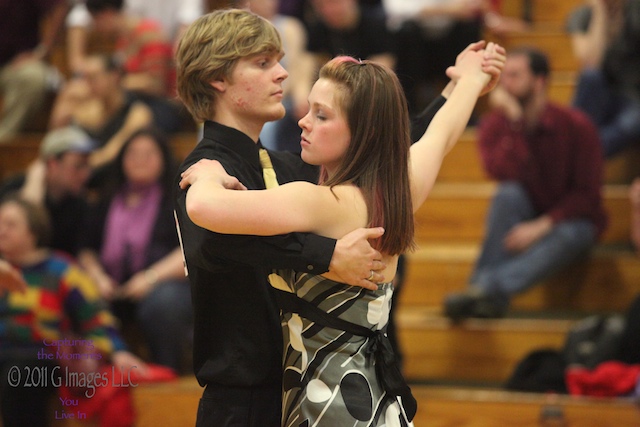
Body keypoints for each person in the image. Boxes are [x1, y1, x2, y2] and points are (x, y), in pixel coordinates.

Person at [179, 46, 501, 427]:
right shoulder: (401, 189)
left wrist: (207, 176)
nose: (303, 122)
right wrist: (470, 79)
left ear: (361, 131)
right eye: (309, 109)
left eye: (322, 115)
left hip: (328, 407)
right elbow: (443, 131)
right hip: (375, 400)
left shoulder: (319, 202)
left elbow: (201, 208)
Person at [443, 47, 608, 321]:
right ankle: (487, 298)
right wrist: (516, 125)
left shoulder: (577, 125)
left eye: (515, 76)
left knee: (574, 233)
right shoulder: (498, 123)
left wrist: (542, 226)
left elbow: (587, 197)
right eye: (504, 76)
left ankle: (484, 289)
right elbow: (498, 170)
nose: (505, 84)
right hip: (526, 209)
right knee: (507, 195)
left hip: (569, 220)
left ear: (540, 81)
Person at [0, 196, 146, 427]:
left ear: (33, 231)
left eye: (10, 224)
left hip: (39, 356)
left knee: (21, 373)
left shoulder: (60, 269)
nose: (2, 231)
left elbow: (95, 315)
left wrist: (117, 350)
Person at [78, 127, 192, 374]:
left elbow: (189, 251)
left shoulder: (178, 198)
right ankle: (96, 383)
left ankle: (167, 374)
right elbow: (86, 249)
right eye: (133, 153)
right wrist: (98, 278)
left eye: (148, 153)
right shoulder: (107, 197)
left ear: (163, 159)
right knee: (83, 294)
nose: (140, 159)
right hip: (112, 286)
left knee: (164, 303)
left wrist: (149, 278)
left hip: (164, 284)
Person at [382, 0, 528, 114]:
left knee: (469, 27)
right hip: (416, 45)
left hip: (449, 43)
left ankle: (465, 106)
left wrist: (490, 18)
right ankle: (409, 111)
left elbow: (474, 7)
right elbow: (396, 11)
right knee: (406, 32)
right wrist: (448, 11)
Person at [49, 54, 155, 175]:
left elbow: (111, 154)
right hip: (86, 176)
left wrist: (74, 165)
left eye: (93, 77)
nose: (87, 84)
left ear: (114, 76)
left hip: (117, 177)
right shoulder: (86, 109)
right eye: (84, 78)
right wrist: (65, 99)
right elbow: (54, 143)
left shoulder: (138, 113)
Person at [0, 126, 94, 257]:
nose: (86, 174)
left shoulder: (80, 204)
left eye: (88, 166)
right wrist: (31, 199)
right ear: (52, 165)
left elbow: (80, 255)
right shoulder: (13, 189)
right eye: (78, 166)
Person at [567, 0, 640, 157]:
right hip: (596, 93)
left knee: (633, 121)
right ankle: (580, 154)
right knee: (590, 76)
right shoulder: (582, 15)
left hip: (630, 94)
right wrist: (599, 15)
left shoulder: (634, 11)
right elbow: (591, 62)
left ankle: (582, 156)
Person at [66, 0, 205, 75]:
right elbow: (81, 14)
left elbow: (177, 48)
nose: (97, 27)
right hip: (137, 51)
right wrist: (77, 61)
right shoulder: (125, 34)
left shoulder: (147, 32)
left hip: (168, 67)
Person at [249, 0, 315, 153]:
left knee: (268, 125)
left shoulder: (290, 26)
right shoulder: (242, 29)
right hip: (256, 93)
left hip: (286, 94)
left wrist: (300, 92)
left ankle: (269, 165)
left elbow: (298, 64)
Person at [0, 0, 69, 142]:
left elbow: (60, 5)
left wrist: (43, 51)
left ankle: (3, 139)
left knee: (33, 77)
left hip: (14, 63)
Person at [305, 0, 396, 71]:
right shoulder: (317, 29)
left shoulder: (374, 26)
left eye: (334, 2)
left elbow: (383, 69)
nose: (328, 10)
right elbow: (307, 64)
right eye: (320, 6)